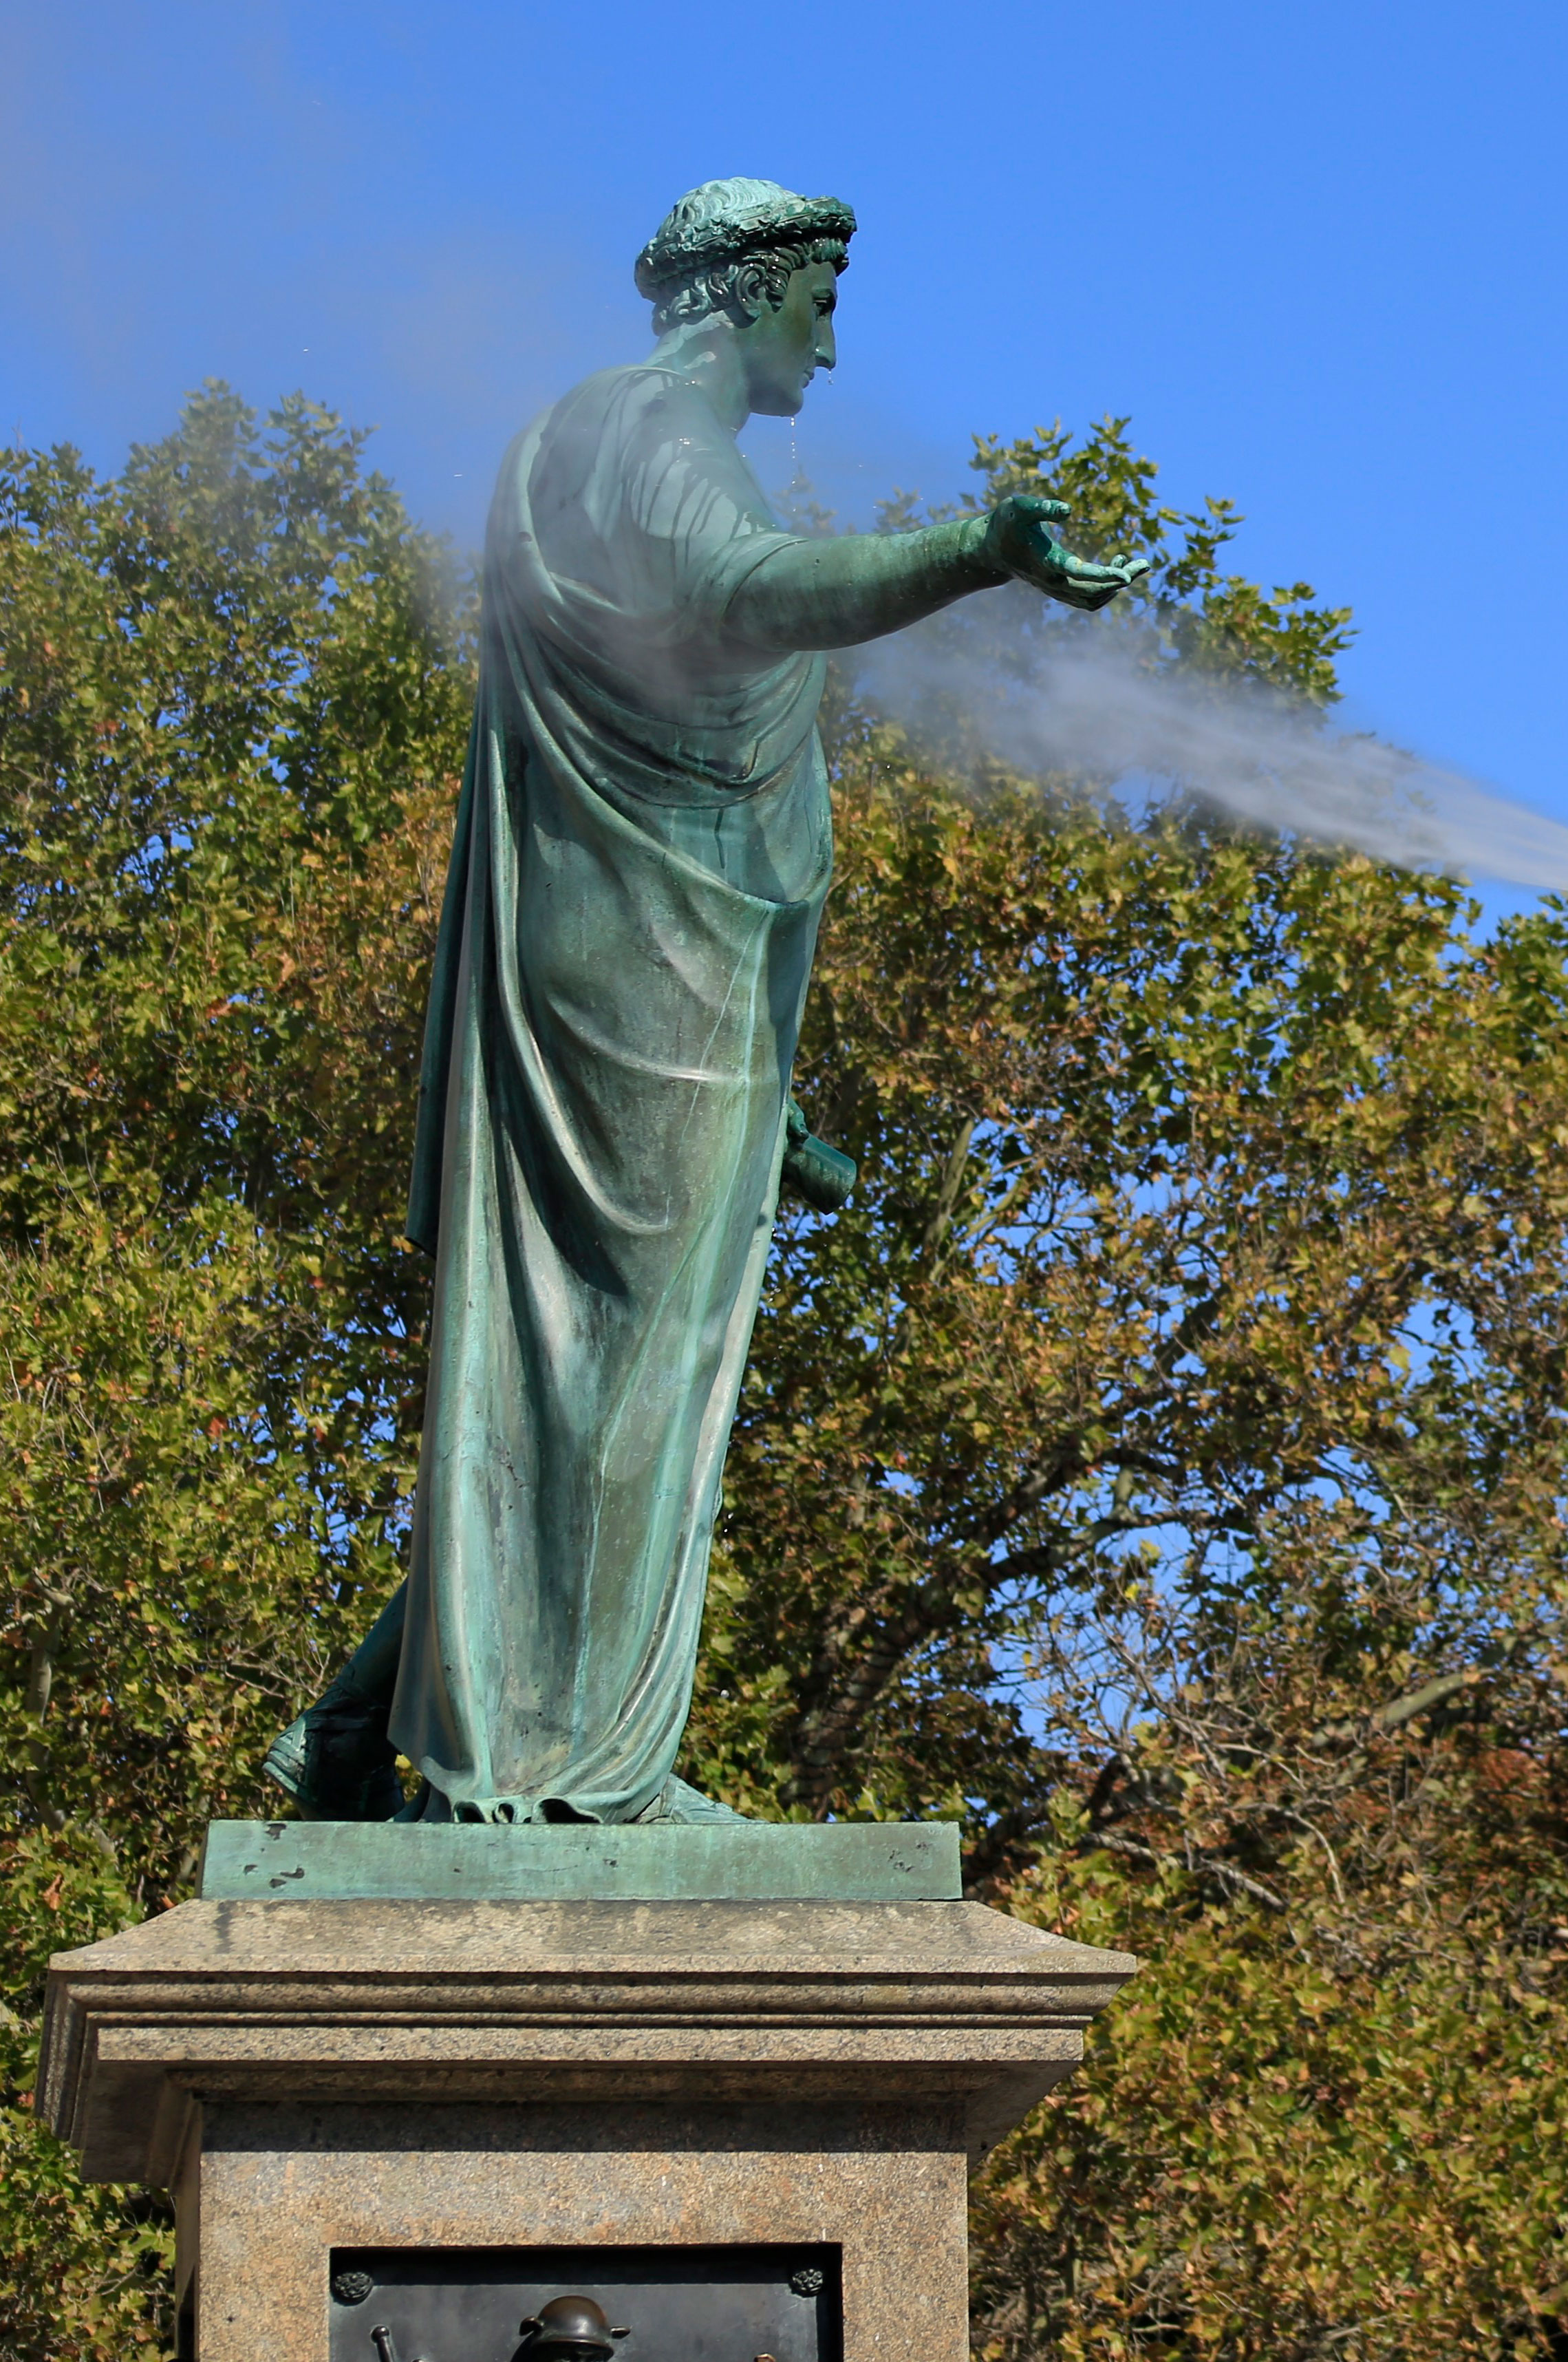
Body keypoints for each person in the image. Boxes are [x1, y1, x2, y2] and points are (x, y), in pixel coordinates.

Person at [264, 180, 1143, 1824]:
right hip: (635, 972)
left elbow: (697, 747)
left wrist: (765, 1077)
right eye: (820, 291)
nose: (832, 328)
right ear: (745, 291)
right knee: (620, 1365)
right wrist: (973, 550)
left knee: (566, 1361)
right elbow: (744, 596)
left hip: (652, 962)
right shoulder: (646, 430)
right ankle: (557, 1772)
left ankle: (356, 1725)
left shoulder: (593, 440)